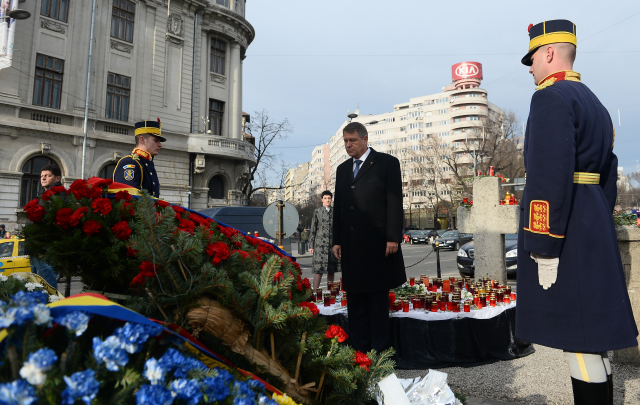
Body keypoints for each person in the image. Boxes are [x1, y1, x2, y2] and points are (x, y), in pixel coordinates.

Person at [516, 19, 637, 405]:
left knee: (578, 339)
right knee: (592, 335)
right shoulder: (596, 104)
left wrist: (543, 245)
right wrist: (595, 219)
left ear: (549, 53)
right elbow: (608, 175)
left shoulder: (551, 97)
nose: (531, 67)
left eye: (532, 58)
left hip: (564, 230)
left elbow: (547, 176)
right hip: (590, 221)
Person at [332, 122, 406, 353]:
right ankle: (360, 354)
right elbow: (339, 207)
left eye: (352, 140)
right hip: (351, 249)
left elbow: (395, 202)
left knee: (376, 303)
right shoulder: (343, 170)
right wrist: (336, 239)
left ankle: (380, 356)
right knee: (355, 304)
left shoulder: (387, 163)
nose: (348, 145)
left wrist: (393, 237)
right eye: (345, 141)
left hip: (377, 246)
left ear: (365, 139)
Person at [113, 119, 165, 198]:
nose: (160, 145)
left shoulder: (145, 163)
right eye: (156, 140)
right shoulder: (130, 163)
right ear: (142, 140)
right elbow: (128, 200)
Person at [309, 190, 341, 290]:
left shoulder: (336, 212)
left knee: (331, 270)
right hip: (319, 245)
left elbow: (339, 229)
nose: (327, 200)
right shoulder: (317, 212)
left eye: (329, 198)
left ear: (331, 199)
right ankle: (315, 293)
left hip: (332, 245)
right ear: (322, 200)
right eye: (325, 198)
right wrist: (311, 245)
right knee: (318, 270)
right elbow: (313, 229)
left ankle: (330, 292)